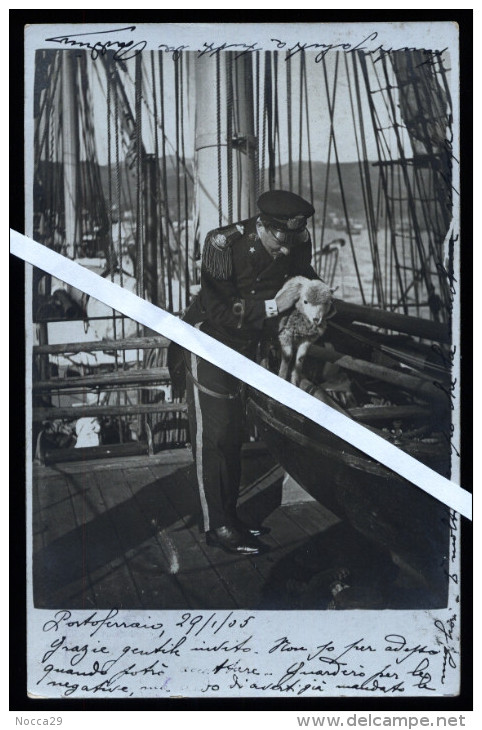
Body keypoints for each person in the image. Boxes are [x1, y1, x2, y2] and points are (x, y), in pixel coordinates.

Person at [171, 190, 319, 555]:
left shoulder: (296, 242)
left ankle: (230, 518)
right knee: (214, 436)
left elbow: (307, 281)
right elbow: (219, 309)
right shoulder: (222, 244)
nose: (286, 252)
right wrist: (273, 306)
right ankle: (216, 525)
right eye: (279, 242)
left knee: (233, 436)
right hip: (208, 342)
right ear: (263, 228)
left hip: (247, 349)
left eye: (292, 242)